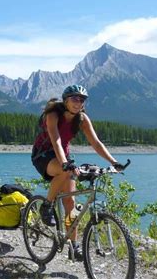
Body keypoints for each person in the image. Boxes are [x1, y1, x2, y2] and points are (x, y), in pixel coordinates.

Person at [31, 84, 124, 261]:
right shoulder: (53, 115)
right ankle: (47, 205)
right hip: (43, 155)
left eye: (82, 100)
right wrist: (65, 164)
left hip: (64, 158)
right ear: (66, 100)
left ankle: (73, 247)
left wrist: (114, 162)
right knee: (66, 172)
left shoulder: (82, 119)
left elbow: (96, 143)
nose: (78, 102)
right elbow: (56, 141)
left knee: (70, 202)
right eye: (75, 98)